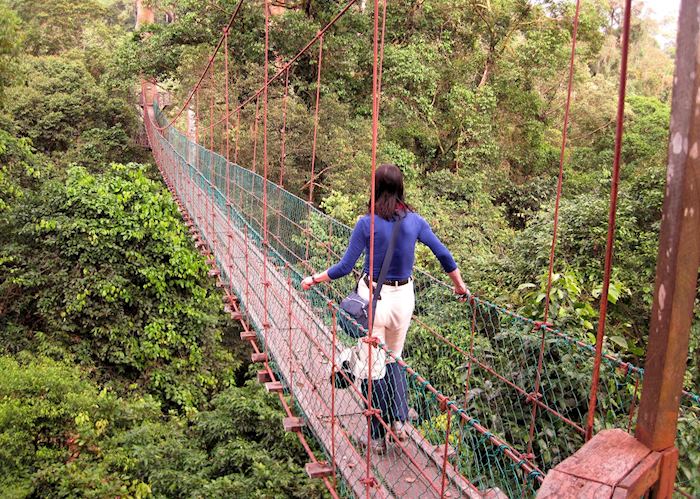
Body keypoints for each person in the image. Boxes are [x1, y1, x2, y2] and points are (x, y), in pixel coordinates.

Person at [301, 163, 467, 453]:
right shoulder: (415, 221)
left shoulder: (367, 223)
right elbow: (443, 253)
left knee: (370, 369)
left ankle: (377, 435)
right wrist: (459, 286)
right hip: (403, 299)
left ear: (375, 188)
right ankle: (400, 421)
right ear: (401, 187)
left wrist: (314, 279)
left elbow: (344, 267)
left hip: (373, 299)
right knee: (394, 360)